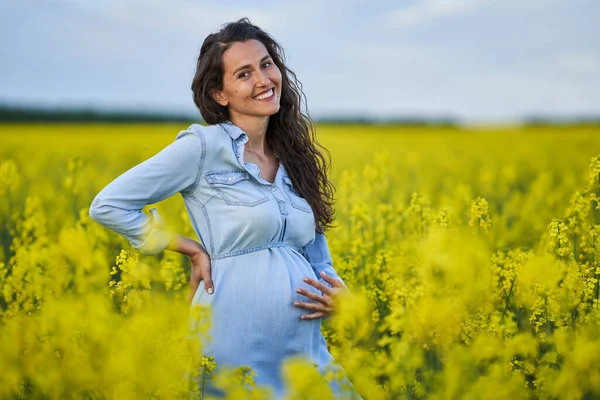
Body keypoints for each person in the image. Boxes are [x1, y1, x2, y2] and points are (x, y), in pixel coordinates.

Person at [89, 18, 360, 399]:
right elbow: (109, 205)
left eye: (267, 64)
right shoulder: (202, 147)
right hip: (233, 346)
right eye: (245, 73)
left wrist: (337, 291)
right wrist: (188, 246)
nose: (264, 80)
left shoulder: (294, 157)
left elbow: (315, 253)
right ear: (220, 94)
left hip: (305, 352)